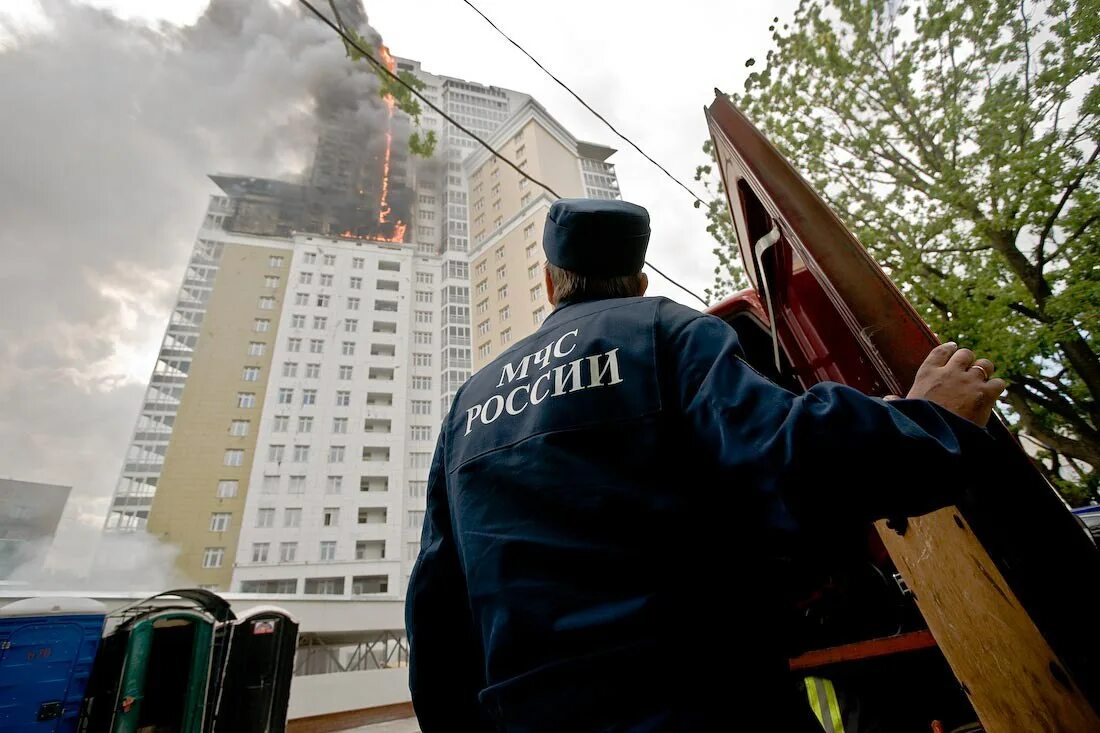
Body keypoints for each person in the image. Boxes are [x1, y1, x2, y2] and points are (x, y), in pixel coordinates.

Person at [405, 198, 1005, 732]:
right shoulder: (664, 331)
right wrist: (932, 421)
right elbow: (789, 456)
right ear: (639, 281)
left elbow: (435, 608)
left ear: (548, 282)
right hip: (695, 700)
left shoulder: (470, 403)